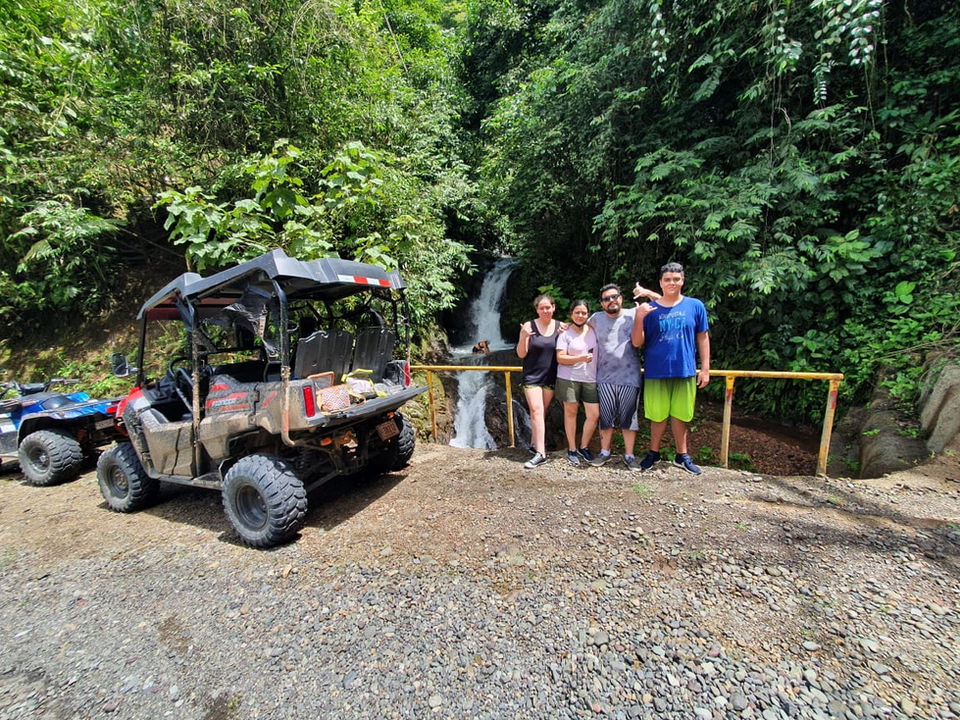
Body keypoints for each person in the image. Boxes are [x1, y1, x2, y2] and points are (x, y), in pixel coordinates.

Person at [631, 262, 710, 474]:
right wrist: (639, 317)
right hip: (656, 370)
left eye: (676, 279)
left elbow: (703, 337)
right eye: (667, 279)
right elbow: (637, 342)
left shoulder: (695, 306)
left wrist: (705, 369)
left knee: (681, 414)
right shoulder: (650, 310)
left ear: (683, 280)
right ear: (660, 283)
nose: (672, 283)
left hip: (684, 369)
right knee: (657, 415)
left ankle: (681, 455)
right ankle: (653, 453)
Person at [588, 282, 660, 470]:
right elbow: (579, 328)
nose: (611, 301)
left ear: (621, 298)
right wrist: (564, 328)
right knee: (606, 418)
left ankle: (629, 455)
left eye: (614, 297)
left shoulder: (634, 313)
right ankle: (604, 452)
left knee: (629, 418)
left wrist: (647, 292)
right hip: (604, 377)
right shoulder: (595, 318)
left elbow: (664, 304)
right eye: (606, 299)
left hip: (629, 376)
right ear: (602, 303)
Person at [516, 295, 559, 468]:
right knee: (536, 410)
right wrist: (523, 336)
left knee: (542, 411)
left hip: (550, 376)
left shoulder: (561, 327)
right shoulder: (529, 326)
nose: (545, 310)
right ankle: (541, 453)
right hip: (532, 376)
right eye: (542, 308)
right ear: (537, 310)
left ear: (553, 307)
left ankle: (534, 443)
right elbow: (521, 353)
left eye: (548, 307)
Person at [555, 300, 599, 466]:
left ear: (588, 314)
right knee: (570, 413)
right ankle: (572, 449)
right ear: (571, 314)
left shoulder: (593, 330)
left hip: (590, 378)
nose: (580, 315)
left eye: (584, 313)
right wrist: (580, 358)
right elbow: (560, 358)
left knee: (594, 415)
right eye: (577, 312)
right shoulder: (565, 333)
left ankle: (584, 446)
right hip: (569, 378)